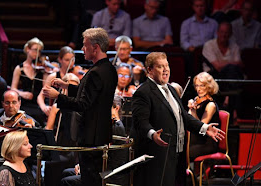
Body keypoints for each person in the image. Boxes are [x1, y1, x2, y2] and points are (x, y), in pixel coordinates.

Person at [131, 52, 225, 186]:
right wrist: (152, 134)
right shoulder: (143, 92)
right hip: (158, 153)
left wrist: (204, 127)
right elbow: (140, 121)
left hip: (177, 151)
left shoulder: (172, 90)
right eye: (160, 66)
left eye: (167, 65)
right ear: (149, 70)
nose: (165, 70)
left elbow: (183, 116)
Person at [42, 27, 118, 186]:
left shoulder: (96, 71)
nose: (82, 49)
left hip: (91, 137)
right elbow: (91, 94)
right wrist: (67, 86)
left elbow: (83, 104)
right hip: (100, 135)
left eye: (85, 45)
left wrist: (58, 96)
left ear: (95, 47)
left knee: (89, 181)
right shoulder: (109, 69)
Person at [11, 37, 46, 127]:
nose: (37, 53)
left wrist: (47, 72)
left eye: (39, 51)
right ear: (28, 49)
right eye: (35, 50)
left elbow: (45, 87)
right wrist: (22, 93)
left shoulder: (42, 68)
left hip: (38, 104)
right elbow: (13, 88)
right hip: (24, 103)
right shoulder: (19, 68)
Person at [187, 72, 220, 160]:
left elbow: (200, 127)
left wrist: (193, 111)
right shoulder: (196, 101)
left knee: (184, 153)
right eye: (197, 86)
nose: (198, 89)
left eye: (202, 86)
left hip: (206, 144)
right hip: (195, 141)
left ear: (209, 87)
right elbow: (189, 122)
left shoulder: (210, 105)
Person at [37, 46, 76, 117]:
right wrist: (44, 107)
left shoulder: (75, 76)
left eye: (72, 60)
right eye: (67, 60)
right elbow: (40, 96)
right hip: (55, 112)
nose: (71, 63)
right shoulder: (53, 76)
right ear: (60, 59)